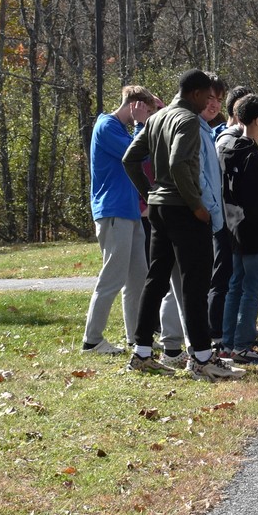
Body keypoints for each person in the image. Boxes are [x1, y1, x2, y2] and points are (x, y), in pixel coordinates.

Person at [122, 68, 243, 380]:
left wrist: (150, 193)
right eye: (207, 96)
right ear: (195, 93)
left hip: (160, 208)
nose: (208, 102)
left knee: (157, 279)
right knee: (195, 283)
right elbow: (178, 163)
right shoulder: (188, 120)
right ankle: (202, 358)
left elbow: (130, 158)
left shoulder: (157, 119)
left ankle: (142, 352)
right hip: (183, 210)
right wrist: (197, 206)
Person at [82, 85, 157, 354]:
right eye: (146, 110)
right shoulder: (106, 126)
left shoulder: (120, 129)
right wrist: (141, 125)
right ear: (134, 105)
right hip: (113, 212)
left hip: (131, 212)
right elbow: (136, 154)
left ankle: (136, 337)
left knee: (138, 278)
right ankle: (92, 340)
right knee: (112, 277)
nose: (149, 116)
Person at [220, 94, 258, 363]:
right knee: (253, 288)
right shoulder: (251, 156)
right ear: (257, 120)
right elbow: (256, 201)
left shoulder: (227, 147)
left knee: (235, 285)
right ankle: (242, 345)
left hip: (232, 227)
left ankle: (228, 342)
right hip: (252, 232)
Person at [212, 85, 253, 353]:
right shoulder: (224, 139)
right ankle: (218, 333)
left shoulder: (242, 139)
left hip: (233, 218)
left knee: (235, 277)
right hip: (224, 217)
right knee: (223, 275)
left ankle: (234, 332)